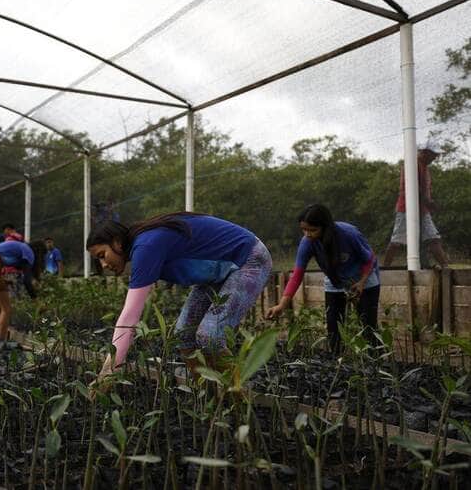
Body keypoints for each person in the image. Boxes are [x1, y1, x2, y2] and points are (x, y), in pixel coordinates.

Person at [87, 212, 272, 387]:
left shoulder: (145, 247)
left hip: (248, 258)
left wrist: (109, 371)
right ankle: (208, 399)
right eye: (98, 260)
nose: (103, 265)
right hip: (216, 274)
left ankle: (240, 401)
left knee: (210, 336)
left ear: (117, 242)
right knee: (183, 335)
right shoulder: (144, 245)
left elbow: (130, 316)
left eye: (102, 255)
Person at [266, 204, 380, 354]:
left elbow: (369, 258)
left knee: (368, 326)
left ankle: (376, 363)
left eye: (313, 230)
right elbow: (297, 275)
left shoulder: (347, 234)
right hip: (335, 280)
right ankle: (338, 361)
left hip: (364, 277)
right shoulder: (307, 243)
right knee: (334, 327)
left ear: (326, 227)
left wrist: (361, 283)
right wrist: (281, 305)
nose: (307, 234)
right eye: (304, 230)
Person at [383, 140, 449, 269]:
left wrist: (429, 204)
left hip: (423, 210)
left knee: (433, 237)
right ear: (424, 152)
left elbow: (424, 189)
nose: (436, 157)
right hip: (406, 209)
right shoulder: (412, 164)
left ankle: (447, 269)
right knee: (397, 241)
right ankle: (385, 269)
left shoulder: (424, 166)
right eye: (433, 154)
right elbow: (413, 188)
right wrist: (429, 203)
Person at [0, 240, 44, 340]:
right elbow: (26, 281)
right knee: (6, 309)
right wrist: (35, 300)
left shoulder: (17, 247)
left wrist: (3, 280)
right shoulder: (28, 251)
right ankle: (1, 340)